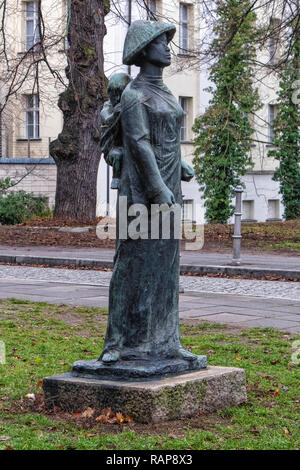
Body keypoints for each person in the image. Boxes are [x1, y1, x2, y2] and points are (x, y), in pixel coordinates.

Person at [99, 20, 206, 372]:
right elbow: (140, 144)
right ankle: (115, 343)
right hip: (142, 191)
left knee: (166, 266)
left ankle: (167, 341)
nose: (169, 47)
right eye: (162, 42)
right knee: (130, 264)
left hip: (168, 187)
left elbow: (165, 138)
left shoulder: (167, 94)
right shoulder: (133, 96)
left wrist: (181, 165)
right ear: (145, 49)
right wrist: (159, 188)